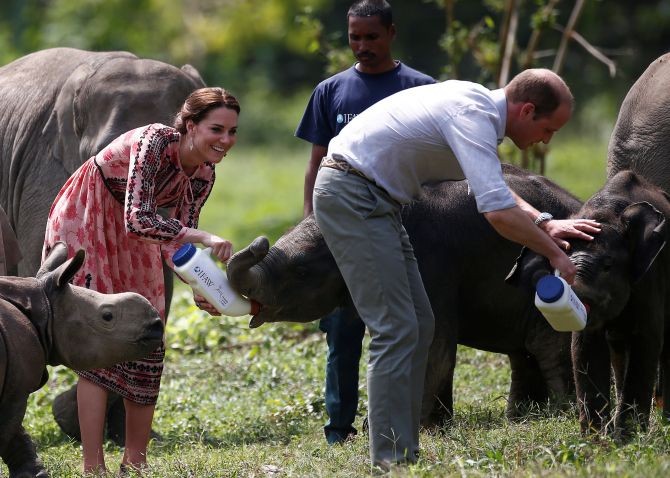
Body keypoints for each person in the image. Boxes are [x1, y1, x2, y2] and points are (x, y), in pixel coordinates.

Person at [312, 69, 601, 470]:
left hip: (379, 201)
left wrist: (545, 222)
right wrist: (555, 254)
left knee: (420, 321)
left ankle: (402, 447)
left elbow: (494, 190)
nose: (547, 140)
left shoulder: (476, 109)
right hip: (352, 193)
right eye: (548, 128)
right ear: (527, 109)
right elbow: (497, 212)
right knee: (394, 327)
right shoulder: (471, 113)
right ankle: (390, 459)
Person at [42, 87, 240, 474]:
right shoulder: (154, 141)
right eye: (217, 129)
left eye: (233, 132)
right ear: (189, 126)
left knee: (148, 334)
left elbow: (176, 247)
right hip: (89, 216)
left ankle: (135, 463)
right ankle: (92, 466)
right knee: (102, 336)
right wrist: (201, 237)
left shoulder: (203, 174)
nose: (226, 140)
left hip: (135, 234)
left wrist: (205, 287)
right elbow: (139, 217)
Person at [295, 0, 435, 445]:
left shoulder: (420, 89)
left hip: (402, 222)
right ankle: (339, 427)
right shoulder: (331, 91)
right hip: (343, 223)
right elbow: (317, 161)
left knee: (403, 324)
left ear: (391, 33)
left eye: (371, 36)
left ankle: (398, 422)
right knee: (343, 328)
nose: (361, 46)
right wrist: (310, 224)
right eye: (354, 37)